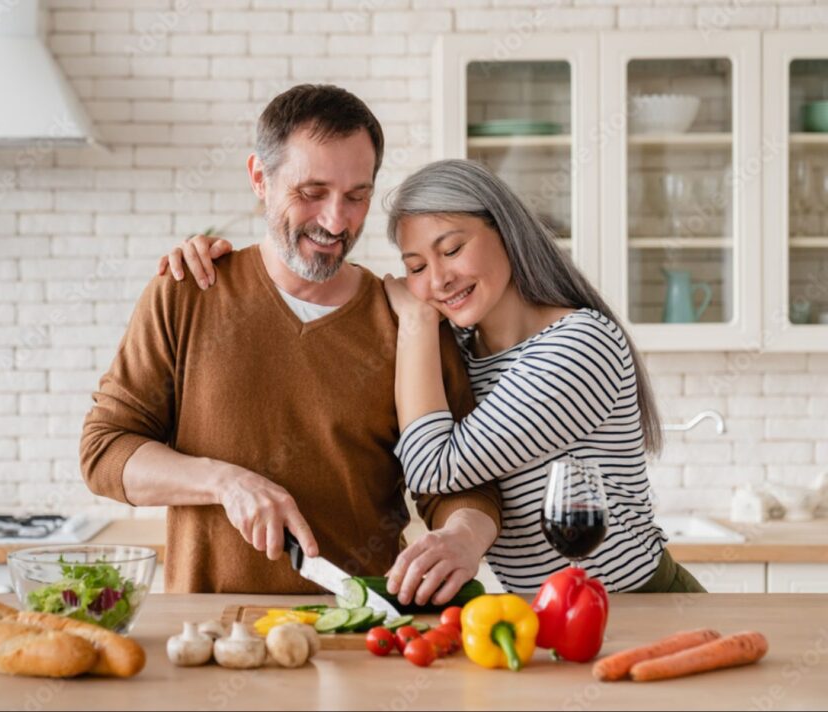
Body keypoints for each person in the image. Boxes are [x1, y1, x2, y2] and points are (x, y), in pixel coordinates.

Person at [163, 159, 705, 595]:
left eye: (452, 249)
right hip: (547, 611)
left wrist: (417, 320)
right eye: (417, 267)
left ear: (508, 233)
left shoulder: (577, 346)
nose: (439, 279)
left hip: (638, 605)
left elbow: (431, 466)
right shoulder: (465, 349)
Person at [81, 85, 502, 604]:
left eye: (357, 196)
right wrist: (223, 482)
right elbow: (104, 453)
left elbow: (465, 483)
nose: (335, 221)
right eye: (311, 193)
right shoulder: (188, 293)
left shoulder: (410, 323)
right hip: (213, 637)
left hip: (361, 637)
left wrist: (463, 536)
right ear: (260, 178)